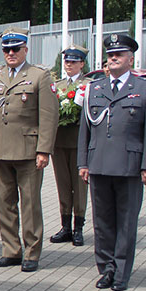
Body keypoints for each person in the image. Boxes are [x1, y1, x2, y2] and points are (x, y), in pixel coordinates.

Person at [79, 34, 146, 291]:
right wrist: (83, 162)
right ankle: (106, 269)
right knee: (102, 222)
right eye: (110, 55)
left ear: (130, 59)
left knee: (126, 222)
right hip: (99, 163)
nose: (113, 58)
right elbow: (85, 130)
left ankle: (122, 272)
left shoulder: (145, 89)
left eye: (119, 54)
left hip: (129, 166)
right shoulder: (95, 88)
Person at [0, 27, 58, 272]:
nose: (10, 53)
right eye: (6, 49)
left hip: (28, 151)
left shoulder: (39, 76)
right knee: (4, 203)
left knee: (30, 204)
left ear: (25, 49)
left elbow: (49, 116)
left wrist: (44, 150)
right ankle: (11, 250)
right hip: (1, 148)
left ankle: (32, 252)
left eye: (15, 49)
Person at [50, 45, 90, 246]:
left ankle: (78, 228)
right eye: (67, 61)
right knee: (63, 184)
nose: (69, 65)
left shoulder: (88, 85)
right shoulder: (57, 85)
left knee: (79, 186)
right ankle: (65, 226)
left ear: (82, 64)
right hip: (59, 140)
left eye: (73, 62)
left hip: (78, 141)